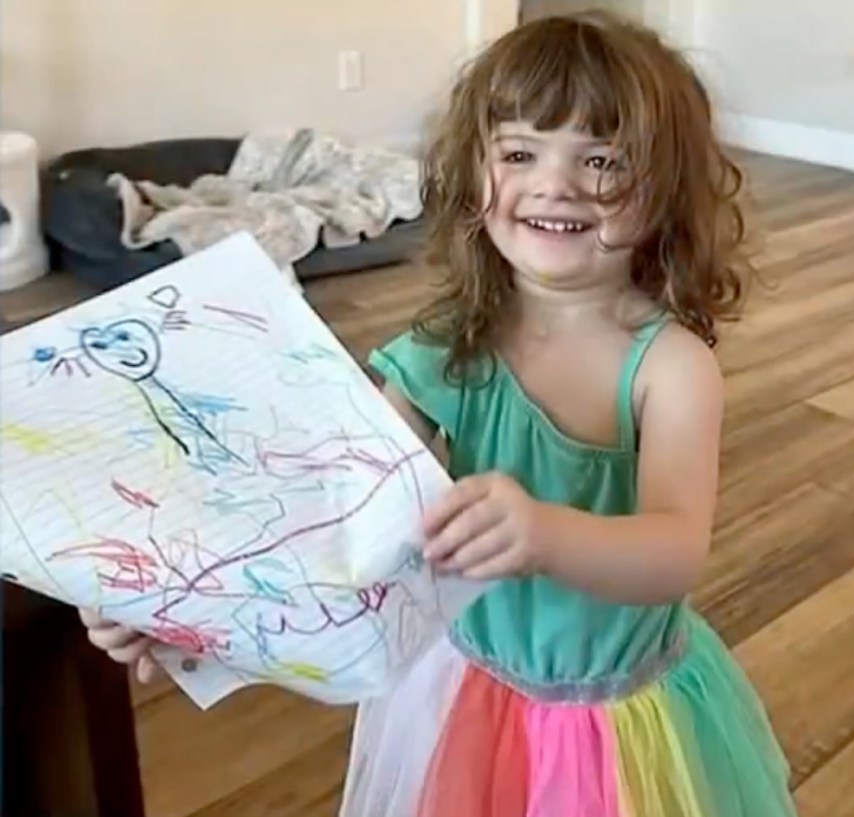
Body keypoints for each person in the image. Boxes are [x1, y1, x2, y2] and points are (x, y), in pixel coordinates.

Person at [81, 11, 798, 816]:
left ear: (665, 188)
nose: (555, 182)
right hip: (463, 700)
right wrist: (189, 621)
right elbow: (340, 543)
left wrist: (545, 532)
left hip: (618, 722)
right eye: (520, 153)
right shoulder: (435, 358)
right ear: (473, 175)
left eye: (603, 159)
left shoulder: (670, 366)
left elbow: (673, 550)